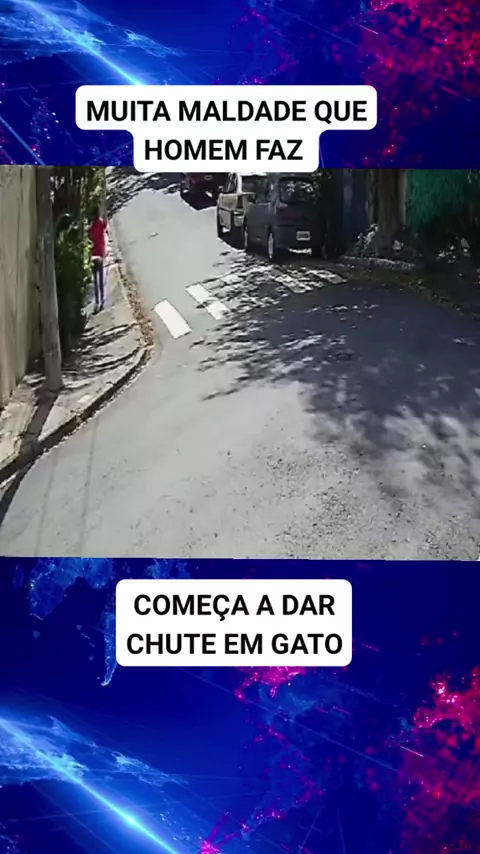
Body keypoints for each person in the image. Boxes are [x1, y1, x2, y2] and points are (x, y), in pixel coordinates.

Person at [88, 207, 108, 311]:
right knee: (101, 278)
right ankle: (102, 300)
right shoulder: (100, 223)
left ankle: (97, 302)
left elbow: (89, 235)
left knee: (95, 280)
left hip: (93, 254)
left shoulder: (91, 226)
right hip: (100, 253)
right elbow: (105, 225)